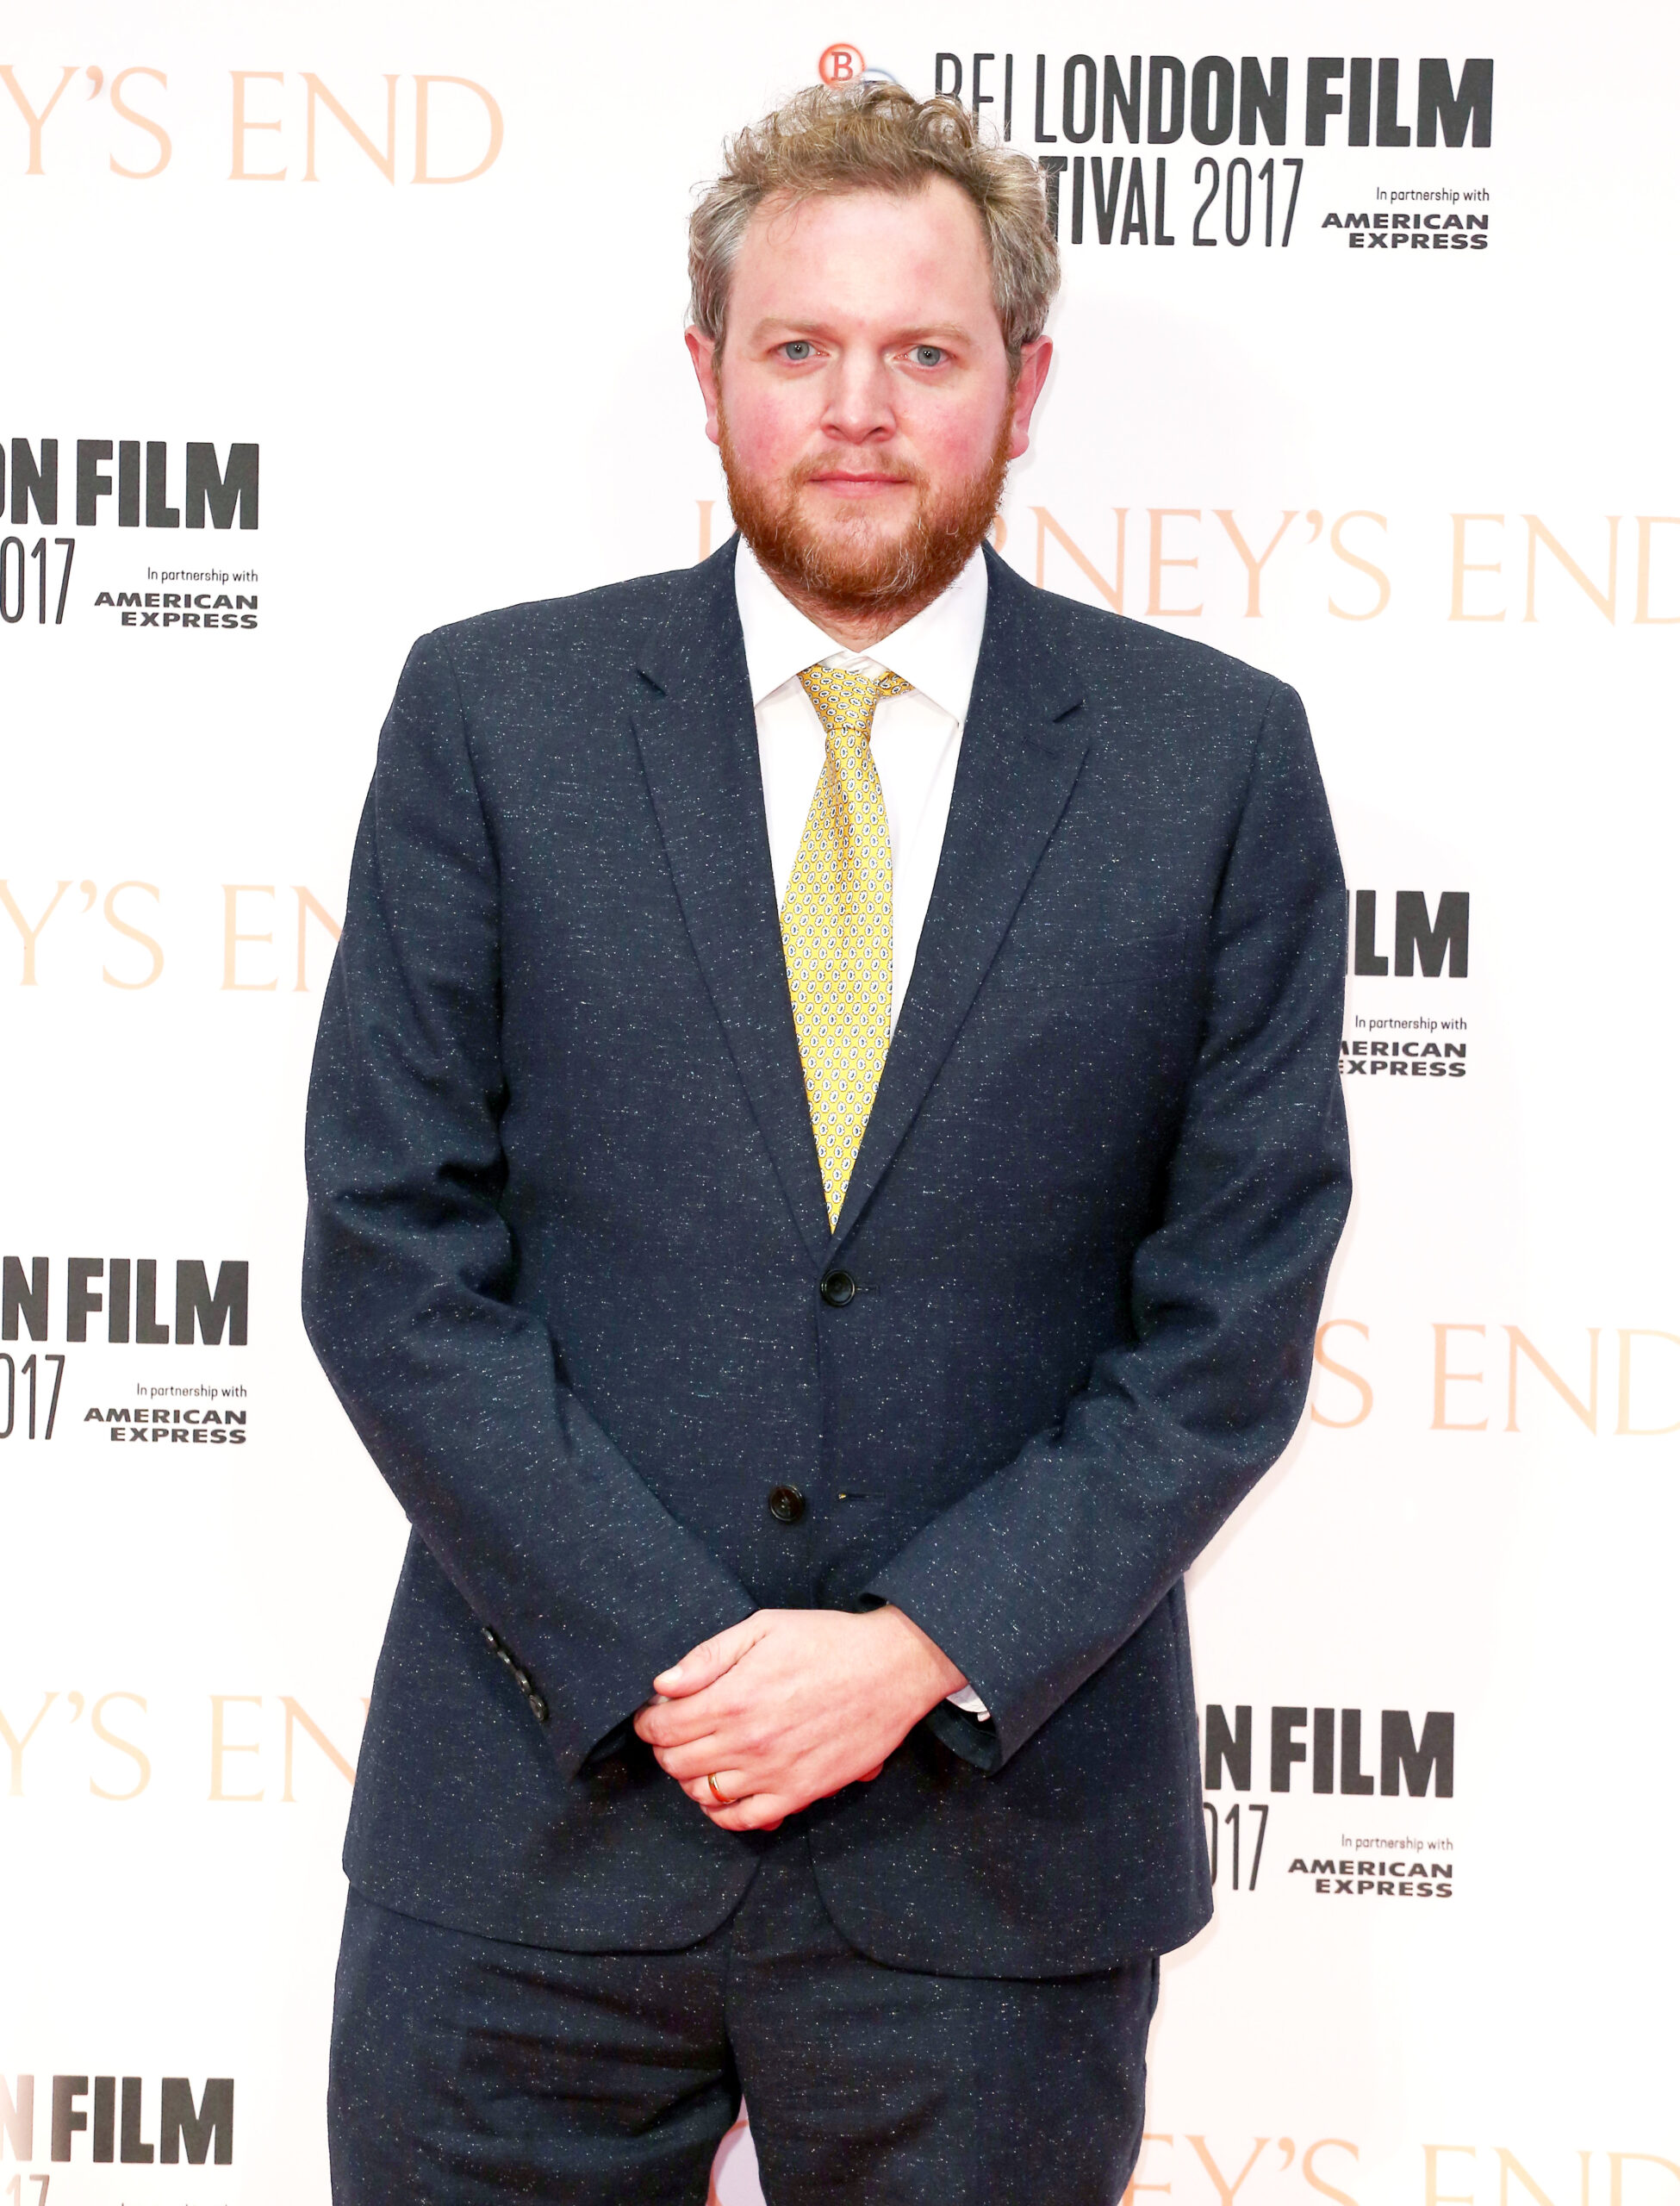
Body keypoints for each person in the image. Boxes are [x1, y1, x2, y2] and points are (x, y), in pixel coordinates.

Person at [303, 81, 1349, 2206]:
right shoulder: (491, 721)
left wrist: (913, 1649)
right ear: (707, 378)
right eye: (798, 348)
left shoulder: (1212, 764)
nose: (856, 408)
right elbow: (392, 1255)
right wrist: (678, 1667)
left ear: (1026, 386)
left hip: (997, 1855)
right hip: (535, 1832)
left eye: (924, 351)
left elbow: (1231, 1316)